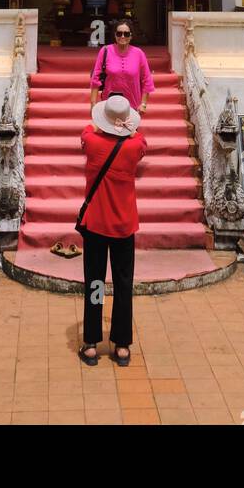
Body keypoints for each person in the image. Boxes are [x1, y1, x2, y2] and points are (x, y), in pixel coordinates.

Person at [78, 94, 146, 366]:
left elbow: (86, 131)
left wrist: (102, 126)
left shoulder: (91, 142)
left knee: (95, 281)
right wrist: (126, 128)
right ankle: (121, 345)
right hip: (123, 223)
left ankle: (92, 342)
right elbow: (140, 139)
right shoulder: (135, 146)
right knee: (123, 283)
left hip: (95, 223)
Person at [89, 21, 154, 114]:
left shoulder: (139, 53)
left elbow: (147, 80)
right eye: (119, 33)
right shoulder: (105, 51)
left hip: (132, 106)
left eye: (126, 34)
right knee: (108, 128)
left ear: (131, 36)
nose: (122, 36)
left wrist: (143, 104)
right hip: (109, 104)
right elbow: (95, 78)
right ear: (115, 35)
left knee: (130, 128)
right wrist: (93, 103)